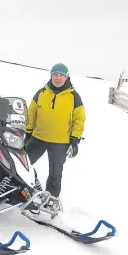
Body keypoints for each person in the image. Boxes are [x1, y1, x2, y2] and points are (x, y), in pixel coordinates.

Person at [25, 63, 86, 198]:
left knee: (55, 174)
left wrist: (75, 140)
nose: (57, 78)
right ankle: (17, 191)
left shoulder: (74, 97)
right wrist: (28, 132)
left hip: (60, 142)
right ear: (51, 76)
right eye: (55, 75)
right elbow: (31, 113)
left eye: (61, 75)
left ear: (66, 77)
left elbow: (79, 119)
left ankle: (51, 200)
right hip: (38, 138)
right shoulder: (41, 93)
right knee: (23, 164)